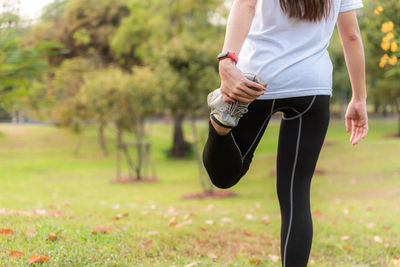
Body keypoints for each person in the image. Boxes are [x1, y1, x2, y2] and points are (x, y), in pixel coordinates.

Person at [202, 0, 368, 266]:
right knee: (296, 194)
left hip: (256, 81)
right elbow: (351, 35)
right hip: (312, 87)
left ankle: (220, 126)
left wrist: (227, 61)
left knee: (223, 176)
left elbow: (244, 5)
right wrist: (359, 98)